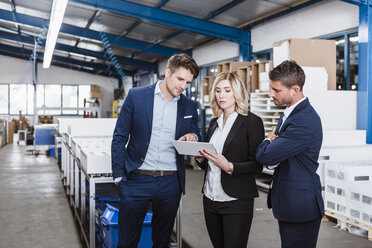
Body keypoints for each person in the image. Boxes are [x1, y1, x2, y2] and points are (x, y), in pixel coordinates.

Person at [111, 53, 200, 248]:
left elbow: (194, 131)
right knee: (127, 242)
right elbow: (119, 137)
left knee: (162, 242)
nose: (183, 86)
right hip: (137, 179)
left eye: (188, 82)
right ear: (168, 72)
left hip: (170, 182)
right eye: (180, 79)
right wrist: (119, 177)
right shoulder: (137, 96)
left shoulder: (189, 106)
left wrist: (193, 137)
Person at [256, 60, 324, 248]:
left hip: (300, 207)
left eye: (276, 90)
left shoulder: (303, 121)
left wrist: (267, 141)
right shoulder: (290, 112)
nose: (271, 94)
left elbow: (266, 156)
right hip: (291, 203)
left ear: (294, 90)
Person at [196, 71, 265, 248]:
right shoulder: (214, 123)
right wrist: (200, 158)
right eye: (218, 91)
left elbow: (257, 165)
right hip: (210, 198)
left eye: (227, 90)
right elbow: (210, 163)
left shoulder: (251, 122)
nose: (221, 95)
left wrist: (230, 167)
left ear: (238, 92)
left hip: (236, 201)